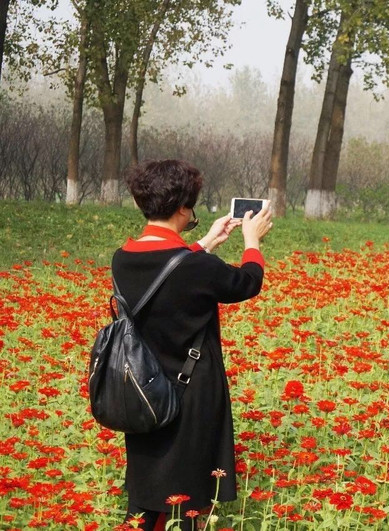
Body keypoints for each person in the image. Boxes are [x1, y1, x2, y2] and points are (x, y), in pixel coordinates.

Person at [112, 159, 272, 530]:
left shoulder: (123, 258)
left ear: (141, 204)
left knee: (149, 477)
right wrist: (252, 242)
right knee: (188, 488)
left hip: (140, 386)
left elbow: (169, 271)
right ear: (184, 208)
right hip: (192, 389)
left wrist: (204, 243)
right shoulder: (197, 268)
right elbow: (247, 282)